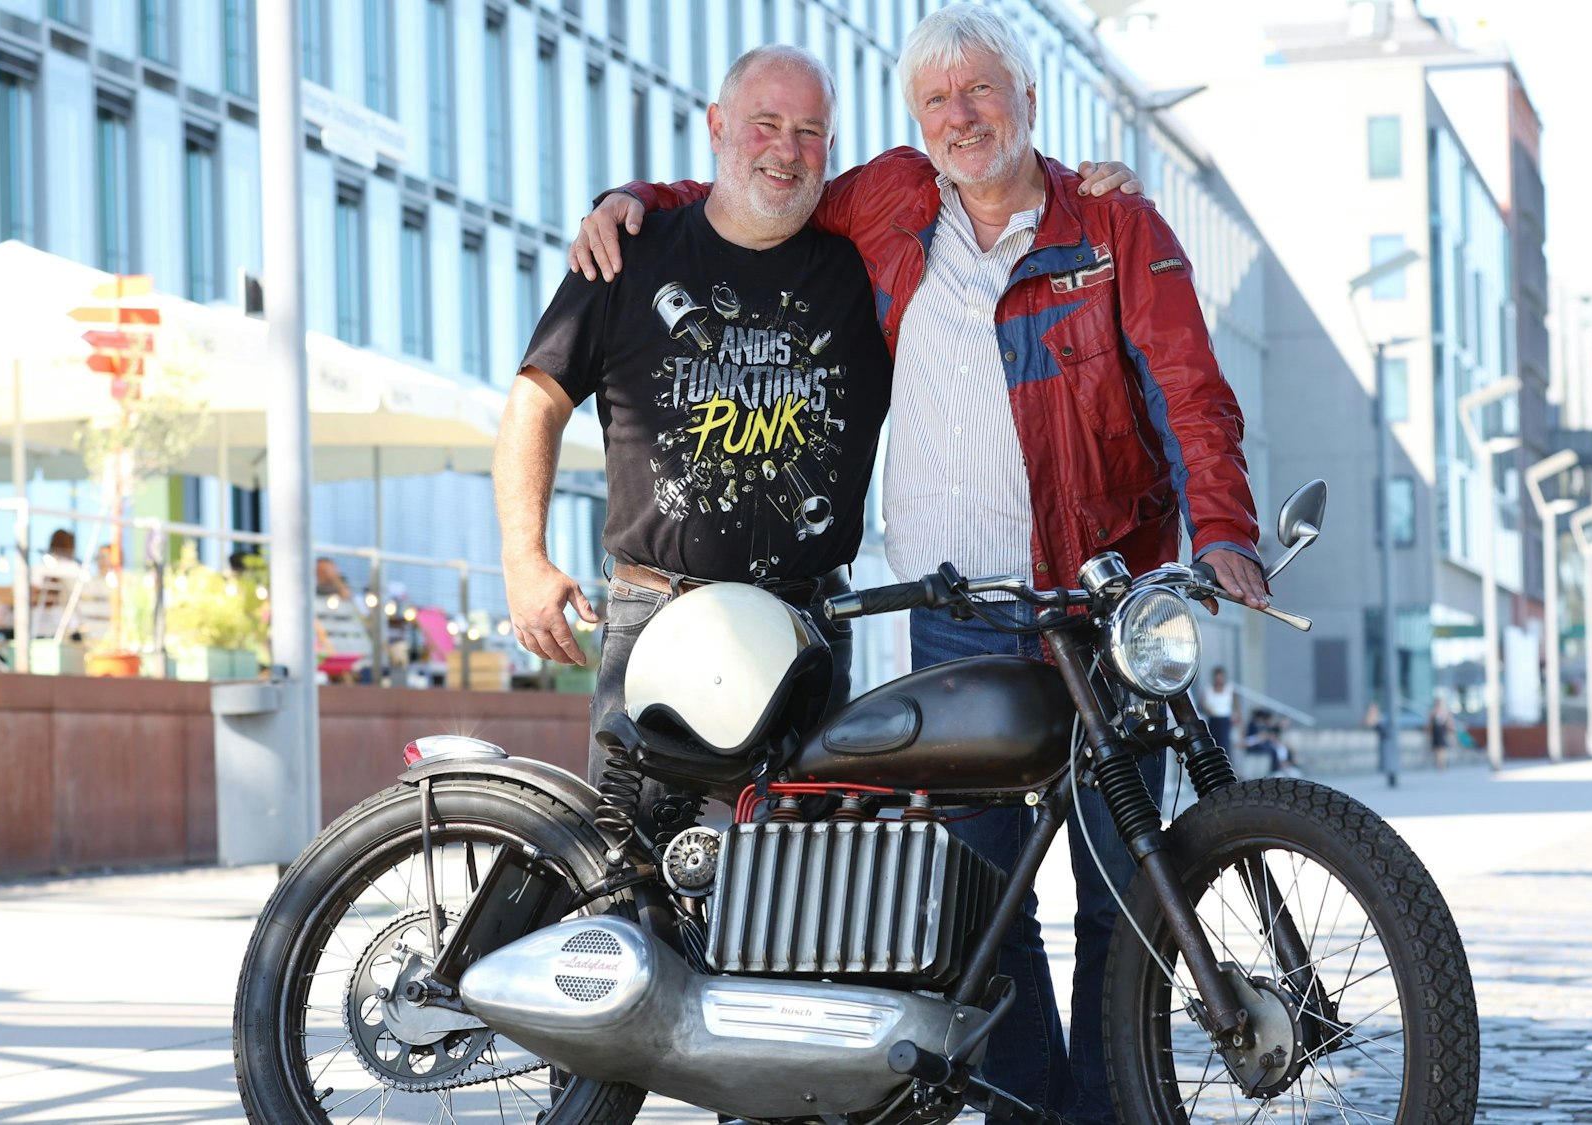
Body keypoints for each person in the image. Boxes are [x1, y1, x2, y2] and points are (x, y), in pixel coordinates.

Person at [572, 10, 1260, 1123]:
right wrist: (635, 202)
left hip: (1096, 602)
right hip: (959, 619)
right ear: (913, 122)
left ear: (1028, 99)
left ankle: (1110, 1110)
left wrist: (1221, 529)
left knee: (1122, 892)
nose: (960, 116)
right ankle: (1032, 1112)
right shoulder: (892, 198)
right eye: (936, 100)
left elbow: (1189, 387)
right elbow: (762, 186)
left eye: (980, 91)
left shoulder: (1112, 224)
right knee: (979, 903)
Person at [496, 45, 901, 838]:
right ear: (717, 127)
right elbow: (534, 402)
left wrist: (1092, 198)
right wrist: (523, 559)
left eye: (810, 131)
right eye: (765, 124)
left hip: (807, 623)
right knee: (627, 871)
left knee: (805, 885)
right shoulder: (628, 253)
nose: (787, 149)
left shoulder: (868, 272)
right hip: (656, 616)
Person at [1199, 665, 1239, 754]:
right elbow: (1201, 705)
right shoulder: (1208, 690)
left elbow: (1236, 706)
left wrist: (1236, 716)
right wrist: (1207, 709)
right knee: (1213, 743)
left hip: (1225, 721)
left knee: (1225, 745)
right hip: (1213, 719)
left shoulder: (1229, 689)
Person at [1428, 697, 1454, 770]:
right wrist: (1428, 732)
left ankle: (1442, 763)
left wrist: (1451, 732)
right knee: (1436, 749)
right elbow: (1430, 724)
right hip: (1435, 732)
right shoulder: (1433, 712)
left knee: (1442, 749)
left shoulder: (1445, 712)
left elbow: (1449, 723)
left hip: (1442, 732)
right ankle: (1439, 763)